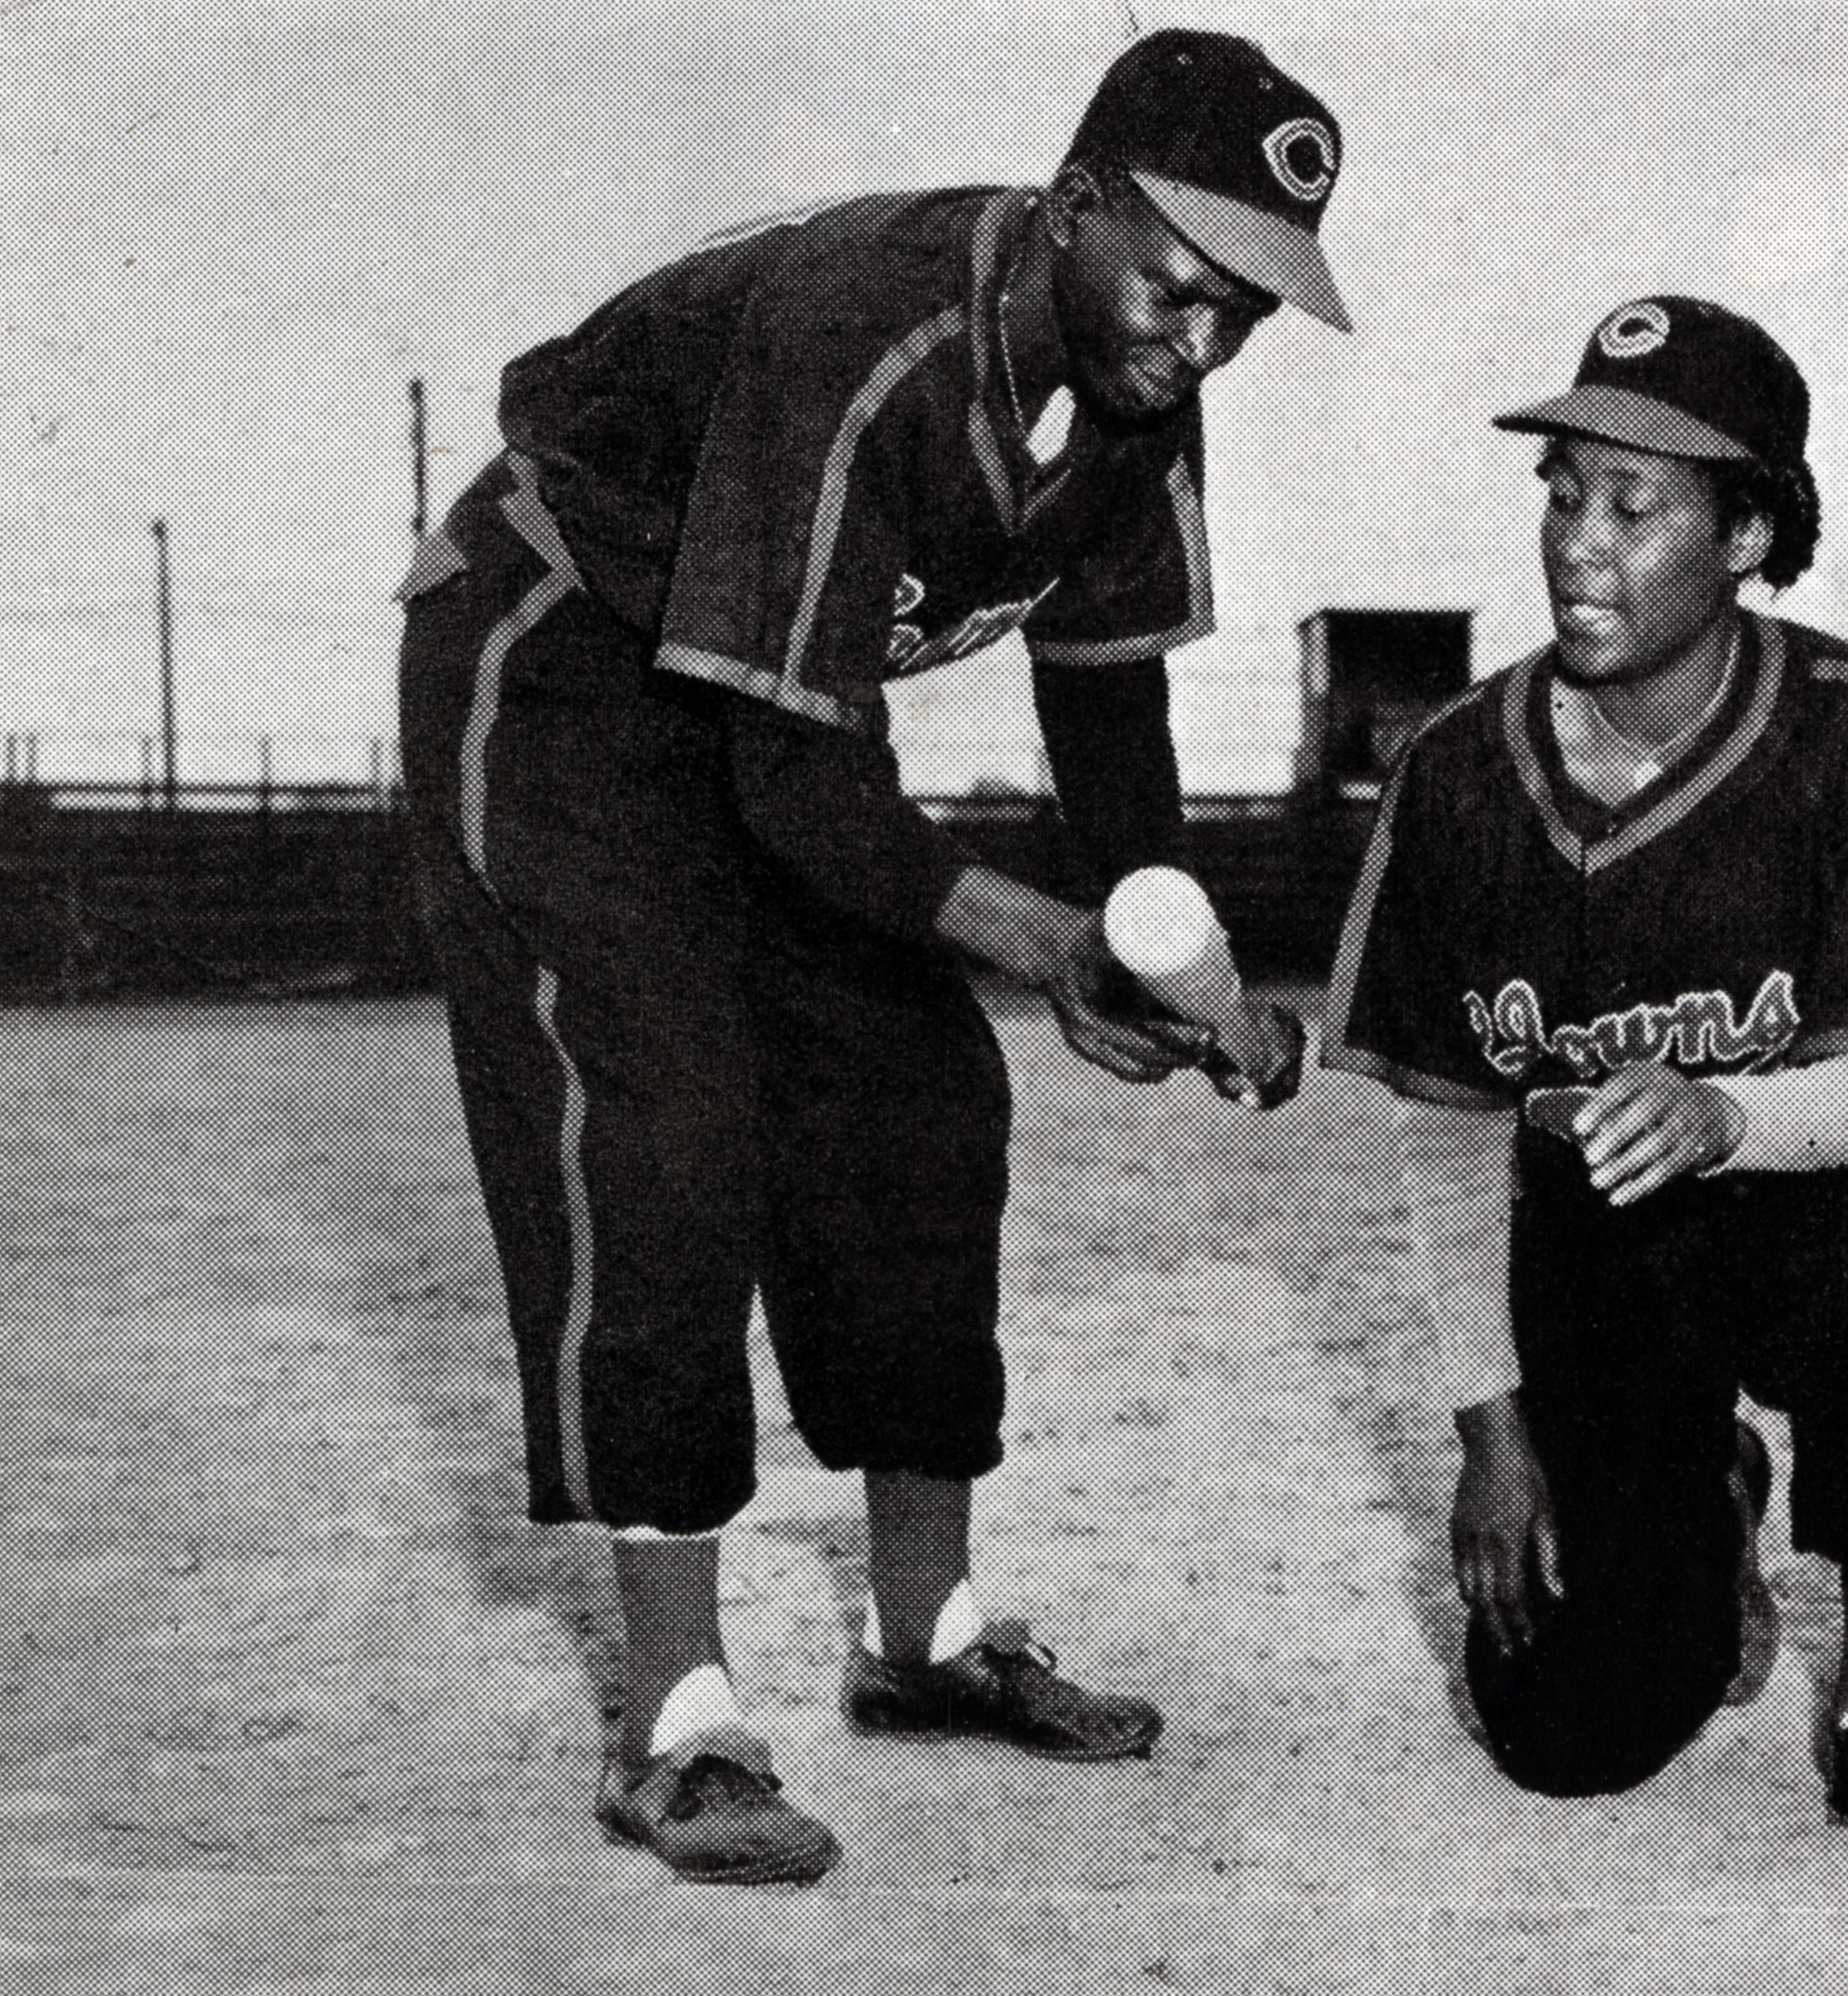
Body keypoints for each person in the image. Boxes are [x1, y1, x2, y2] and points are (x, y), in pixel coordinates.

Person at [395, 30, 1341, 1886]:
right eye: (1178, 281)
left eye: (1247, 309)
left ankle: (923, 1640)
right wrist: (1046, 936)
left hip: (775, 708)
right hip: (565, 664)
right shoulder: (872, 327)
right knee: (662, 1134)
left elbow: (1108, 706)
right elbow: (796, 781)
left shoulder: (1143, 381)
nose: (1205, 339)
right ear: (1074, 207)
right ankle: (674, 1726)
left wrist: (1179, 960)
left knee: (919, 1095)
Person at [1321, 297, 1848, 1878]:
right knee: (1562, 1735)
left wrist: (1727, 1116)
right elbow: (1445, 1133)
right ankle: (1704, 1497)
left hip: (1820, 1213)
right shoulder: (1455, 773)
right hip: (1598, 1251)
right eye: (1564, 492)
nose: (1581, 540)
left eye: (1636, 506)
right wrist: (1492, 1437)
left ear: (1747, 532)